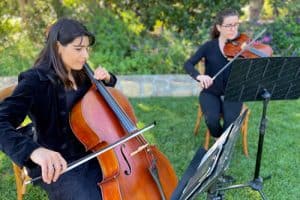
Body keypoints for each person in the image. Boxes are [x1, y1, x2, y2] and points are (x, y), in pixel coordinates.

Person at [0, 18, 117, 200]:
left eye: (87, 49)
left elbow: (104, 95)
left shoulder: (82, 72)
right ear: (57, 47)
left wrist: (108, 79)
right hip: (56, 160)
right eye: (78, 49)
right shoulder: (34, 81)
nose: (85, 56)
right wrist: (33, 151)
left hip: (91, 149)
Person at [184, 9, 243, 138]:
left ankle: (224, 144)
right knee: (211, 120)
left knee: (230, 122)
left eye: (236, 24)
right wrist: (199, 76)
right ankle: (219, 139)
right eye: (229, 25)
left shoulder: (242, 47)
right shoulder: (209, 46)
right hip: (211, 91)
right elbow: (188, 64)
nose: (234, 29)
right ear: (219, 27)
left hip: (233, 92)